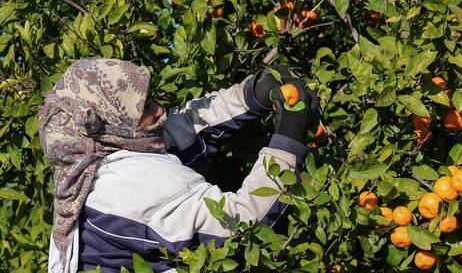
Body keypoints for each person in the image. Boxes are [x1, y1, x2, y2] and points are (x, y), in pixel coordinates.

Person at [38, 58, 319, 273]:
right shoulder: (131, 187)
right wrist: (289, 140)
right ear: (111, 121)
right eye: (145, 107)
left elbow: (179, 131)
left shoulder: (89, 158)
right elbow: (240, 224)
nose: (160, 109)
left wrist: (250, 94)